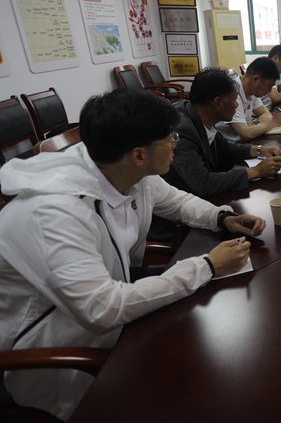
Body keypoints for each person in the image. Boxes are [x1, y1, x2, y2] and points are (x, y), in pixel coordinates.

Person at [0, 88, 264, 420]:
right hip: (54, 347)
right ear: (138, 155)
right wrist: (207, 266)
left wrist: (222, 217)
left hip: (108, 295)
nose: (176, 143)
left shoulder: (120, 166)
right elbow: (102, 309)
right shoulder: (53, 213)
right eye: (169, 138)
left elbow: (177, 201)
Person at [165, 67, 281, 198]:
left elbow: (225, 148)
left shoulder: (200, 114)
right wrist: (257, 171)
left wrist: (260, 150)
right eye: (235, 99)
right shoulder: (182, 130)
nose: (236, 105)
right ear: (218, 103)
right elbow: (203, 183)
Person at [215, 57, 281, 142]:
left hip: (242, 143)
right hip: (229, 146)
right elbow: (246, 134)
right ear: (255, 79)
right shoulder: (233, 93)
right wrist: (273, 123)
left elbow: (266, 114)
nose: (269, 91)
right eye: (269, 86)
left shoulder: (251, 91)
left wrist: (255, 124)